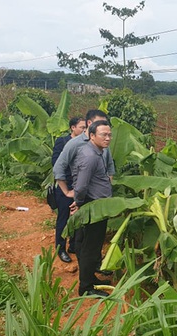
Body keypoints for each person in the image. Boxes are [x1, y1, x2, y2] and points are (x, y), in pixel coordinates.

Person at [53, 110, 115, 272]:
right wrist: (67, 191)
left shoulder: (103, 145)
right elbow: (59, 166)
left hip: (91, 195)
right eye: (100, 125)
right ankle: (61, 248)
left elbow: (109, 167)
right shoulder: (75, 144)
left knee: (83, 234)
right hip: (74, 189)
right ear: (90, 125)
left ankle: (85, 260)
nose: (106, 134)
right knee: (65, 220)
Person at [71, 120, 113, 297]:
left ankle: (90, 280)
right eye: (103, 134)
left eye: (110, 134)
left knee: (91, 246)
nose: (108, 138)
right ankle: (86, 287)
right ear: (92, 135)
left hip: (95, 204)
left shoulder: (95, 152)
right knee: (91, 247)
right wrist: (79, 203)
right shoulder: (90, 156)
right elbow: (81, 186)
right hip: (92, 206)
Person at [51, 116, 86, 263]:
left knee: (77, 217)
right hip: (65, 186)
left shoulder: (85, 143)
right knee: (64, 217)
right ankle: (61, 248)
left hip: (79, 186)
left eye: (85, 128)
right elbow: (56, 163)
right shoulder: (63, 142)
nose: (84, 130)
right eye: (81, 127)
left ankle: (73, 245)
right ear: (72, 128)